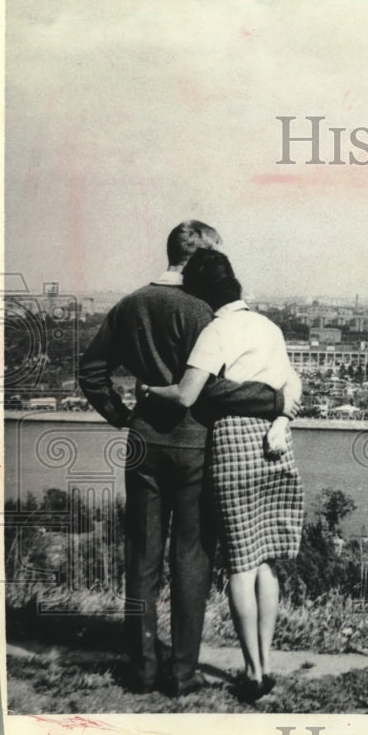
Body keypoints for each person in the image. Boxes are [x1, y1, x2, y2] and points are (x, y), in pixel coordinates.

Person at [78, 221, 298, 697]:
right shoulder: (206, 312)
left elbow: (91, 371)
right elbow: (212, 388)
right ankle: (182, 672)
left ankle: (142, 668)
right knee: (192, 557)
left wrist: (124, 417)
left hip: (143, 444)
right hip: (198, 445)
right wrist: (276, 402)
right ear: (201, 256)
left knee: (142, 555)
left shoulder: (130, 304)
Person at [141, 248, 304, 702]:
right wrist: (281, 420)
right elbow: (291, 383)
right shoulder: (268, 326)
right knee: (266, 560)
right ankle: (266, 662)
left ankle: (252, 673)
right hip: (276, 441)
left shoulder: (216, 331)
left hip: (234, 442)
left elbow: (186, 394)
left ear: (202, 295)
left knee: (240, 563)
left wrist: (148, 389)